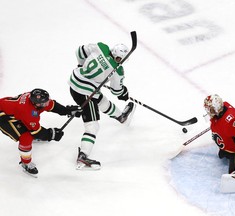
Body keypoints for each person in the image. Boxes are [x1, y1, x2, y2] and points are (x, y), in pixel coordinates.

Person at [69, 42, 136, 170]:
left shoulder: (101, 47)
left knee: (100, 99)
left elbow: (80, 51)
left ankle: (121, 117)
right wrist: (124, 93)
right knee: (93, 126)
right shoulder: (118, 70)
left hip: (75, 81)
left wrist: (82, 65)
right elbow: (116, 90)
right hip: (86, 93)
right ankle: (83, 156)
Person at [0, 88, 82, 176]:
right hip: (3, 118)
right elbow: (36, 131)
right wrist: (51, 134)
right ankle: (25, 163)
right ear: (37, 104)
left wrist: (67, 111)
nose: (47, 103)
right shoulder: (28, 112)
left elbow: (52, 105)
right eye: (44, 103)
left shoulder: (36, 100)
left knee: (30, 129)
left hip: (11, 109)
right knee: (26, 137)